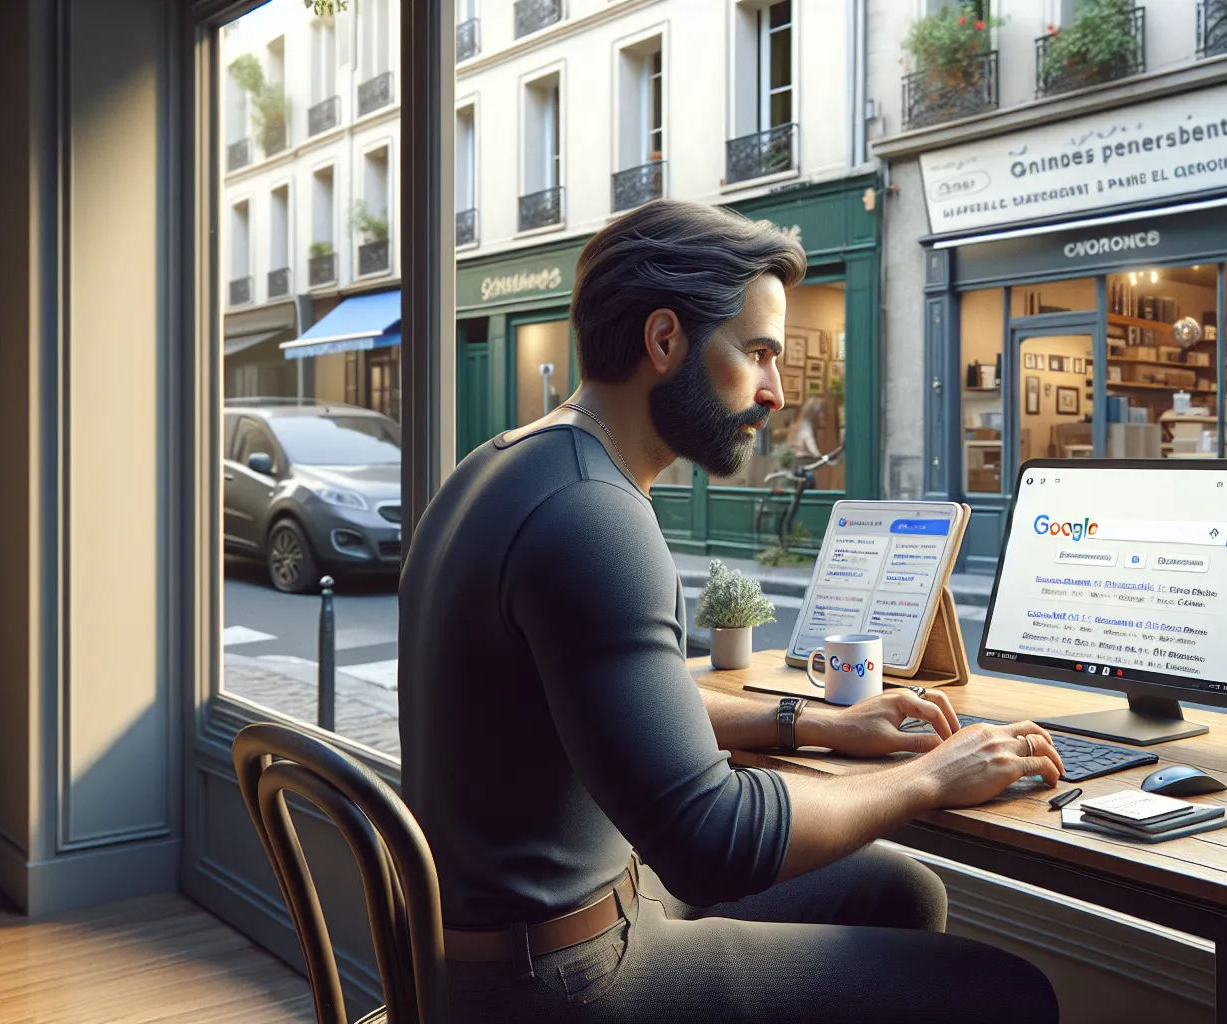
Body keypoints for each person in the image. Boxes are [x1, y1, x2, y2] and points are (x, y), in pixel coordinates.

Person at [400, 199, 1063, 1023]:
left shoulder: (502, 466)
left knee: (898, 888)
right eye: (757, 353)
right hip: (560, 983)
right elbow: (711, 844)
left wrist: (817, 722)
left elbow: (630, 709)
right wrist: (929, 776)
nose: (777, 392)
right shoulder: (593, 515)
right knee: (1011, 996)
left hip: (486, 950)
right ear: (665, 340)